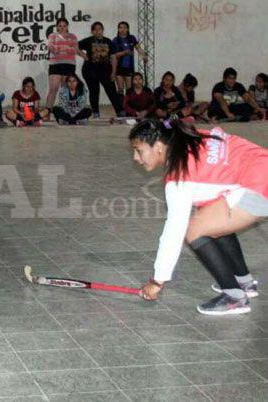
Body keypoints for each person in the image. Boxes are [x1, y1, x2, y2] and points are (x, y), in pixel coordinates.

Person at [130, 119, 265, 315]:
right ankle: (244, 283)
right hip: (259, 168)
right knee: (211, 217)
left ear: (159, 146)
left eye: (139, 150)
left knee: (194, 230)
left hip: (259, 185)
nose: (135, 157)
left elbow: (174, 231)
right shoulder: (191, 138)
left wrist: (157, 281)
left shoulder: (179, 176)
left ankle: (234, 297)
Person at [78, 21, 123, 118]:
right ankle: (95, 112)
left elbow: (113, 57)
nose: (98, 31)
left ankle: (119, 111)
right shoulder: (88, 41)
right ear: (92, 31)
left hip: (106, 70)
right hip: (90, 70)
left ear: (102, 30)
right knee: (94, 90)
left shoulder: (108, 42)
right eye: (96, 29)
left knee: (111, 91)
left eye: (100, 29)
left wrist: (114, 72)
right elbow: (75, 47)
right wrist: (84, 56)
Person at [45, 18, 85, 109]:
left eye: (64, 26)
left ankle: (65, 111)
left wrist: (60, 48)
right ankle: (47, 111)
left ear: (67, 26)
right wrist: (66, 47)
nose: (62, 28)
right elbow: (51, 48)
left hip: (69, 65)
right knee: (53, 89)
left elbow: (74, 50)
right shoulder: (52, 36)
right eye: (60, 26)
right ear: (56, 27)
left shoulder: (73, 36)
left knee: (65, 89)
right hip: (55, 65)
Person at [112, 22, 147, 100]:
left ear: (127, 29)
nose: (122, 29)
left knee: (129, 89)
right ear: (118, 29)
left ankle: (129, 107)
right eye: (120, 27)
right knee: (120, 90)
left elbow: (138, 48)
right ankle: (121, 108)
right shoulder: (115, 40)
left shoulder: (132, 38)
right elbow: (114, 55)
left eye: (124, 27)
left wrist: (144, 56)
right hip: (119, 67)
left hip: (129, 67)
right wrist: (124, 53)